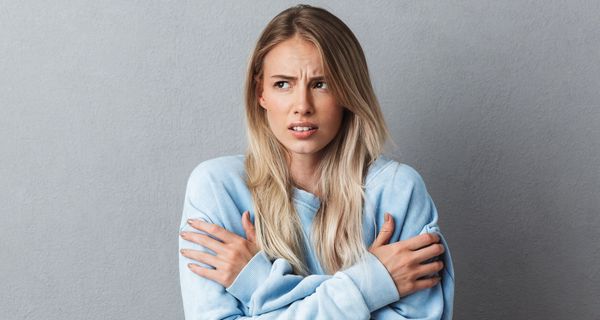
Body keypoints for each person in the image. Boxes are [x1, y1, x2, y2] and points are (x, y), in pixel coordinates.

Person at [178, 4, 454, 319]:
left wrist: (258, 285)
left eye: (320, 84)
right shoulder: (217, 189)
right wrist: (370, 286)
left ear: (349, 91)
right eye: (283, 84)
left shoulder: (398, 192)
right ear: (261, 93)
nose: (302, 106)